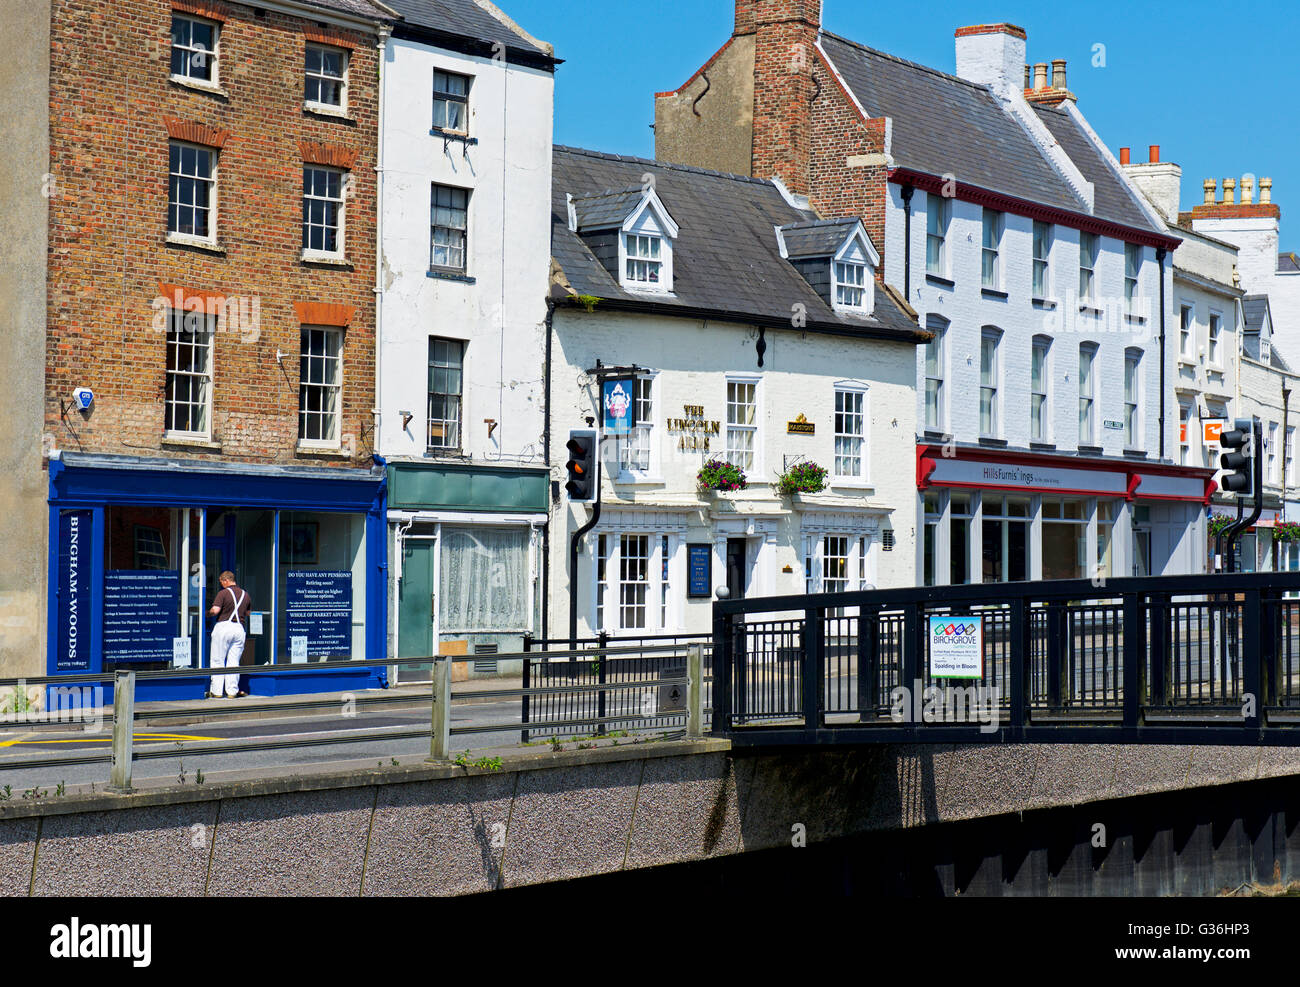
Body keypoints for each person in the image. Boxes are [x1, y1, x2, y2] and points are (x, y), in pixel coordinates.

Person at [207, 571, 251, 698]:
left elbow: (215, 610)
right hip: (239, 628)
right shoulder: (245, 594)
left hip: (224, 627)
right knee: (234, 661)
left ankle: (217, 692)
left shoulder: (223, 593)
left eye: (221, 582)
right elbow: (248, 613)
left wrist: (206, 613)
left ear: (226, 580)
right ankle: (232, 691)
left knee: (217, 660)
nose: (221, 584)